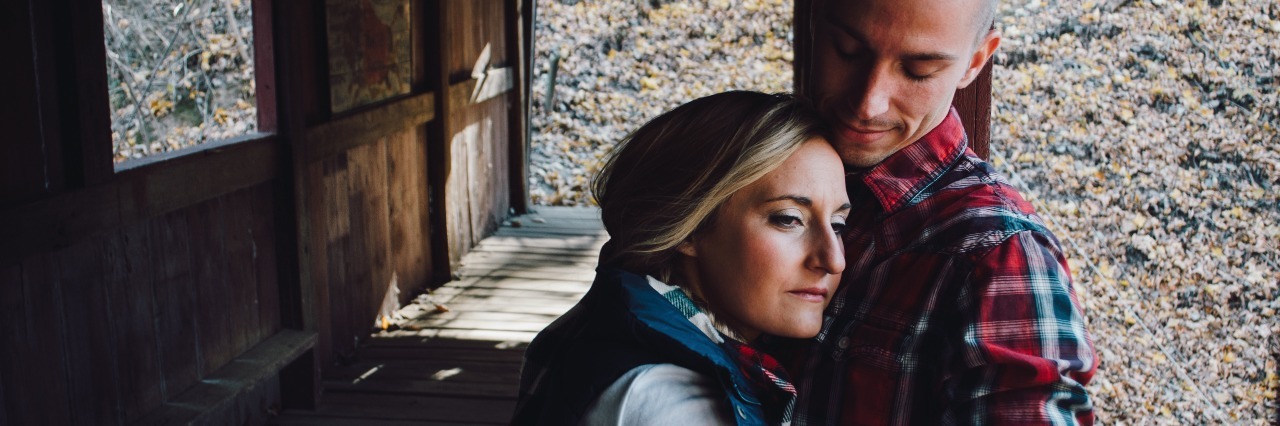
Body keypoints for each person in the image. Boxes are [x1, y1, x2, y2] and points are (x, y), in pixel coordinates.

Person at [788, 0, 1097, 424]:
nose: (868, 103)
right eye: (847, 50)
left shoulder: (998, 253)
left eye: (919, 71)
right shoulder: (750, 163)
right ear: (814, 22)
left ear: (975, 61)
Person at [511, 91, 850, 425]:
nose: (833, 260)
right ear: (690, 228)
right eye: (788, 219)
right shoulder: (672, 403)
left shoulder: (604, 322)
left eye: (838, 224)